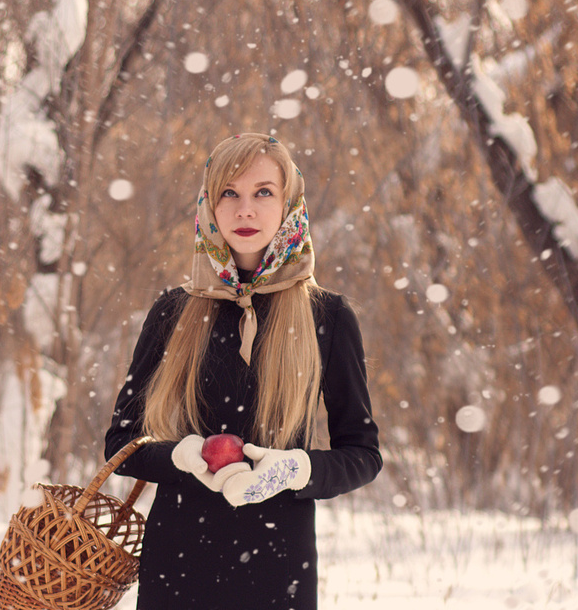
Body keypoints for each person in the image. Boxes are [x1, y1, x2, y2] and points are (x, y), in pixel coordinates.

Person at [105, 133, 381, 610]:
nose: (245, 210)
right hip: (178, 566)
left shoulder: (327, 317)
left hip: (278, 570)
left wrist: (296, 470)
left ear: (289, 203)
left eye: (263, 192)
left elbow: (362, 453)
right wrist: (183, 455)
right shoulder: (174, 312)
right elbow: (121, 445)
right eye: (229, 193)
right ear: (209, 205)